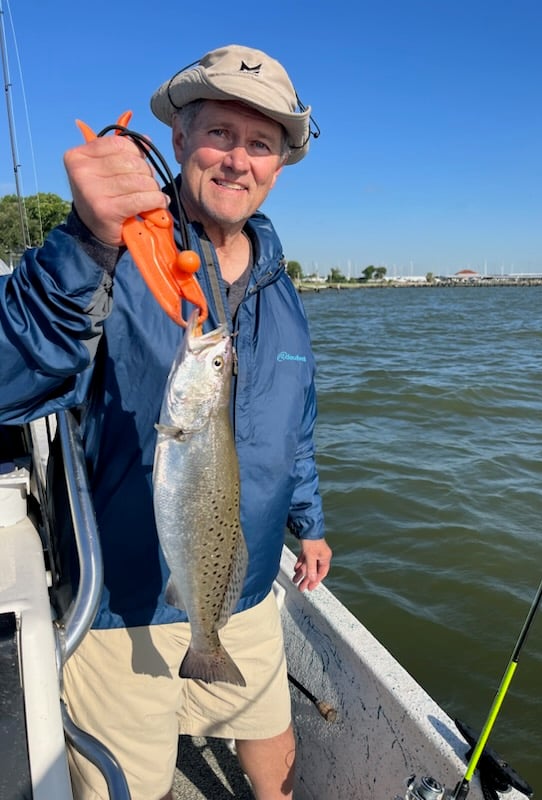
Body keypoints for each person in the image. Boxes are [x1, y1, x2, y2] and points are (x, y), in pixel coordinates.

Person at [0, 44, 332, 800]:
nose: (237, 159)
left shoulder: (283, 290)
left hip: (241, 590)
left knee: (272, 751)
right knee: (131, 784)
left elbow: (295, 424)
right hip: (122, 606)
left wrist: (310, 522)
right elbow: (8, 383)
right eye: (218, 133)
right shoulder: (117, 251)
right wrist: (86, 242)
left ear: (282, 162)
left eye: (261, 143)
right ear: (179, 141)